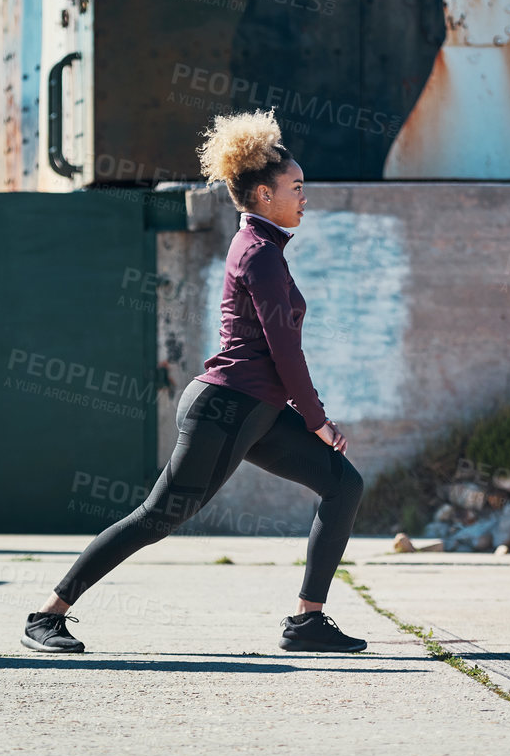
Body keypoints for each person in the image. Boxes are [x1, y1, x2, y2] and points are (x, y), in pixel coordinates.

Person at [23, 110, 367, 655]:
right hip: (227, 409)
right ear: (261, 194)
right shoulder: (259, 254)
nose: (305, 197)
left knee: (344, 485)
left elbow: (280, 351)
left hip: (256, 411)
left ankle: (307, 622)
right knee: (159, 517)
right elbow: (285, 350)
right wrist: (317, 419)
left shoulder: (264, 247)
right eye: (296, 188)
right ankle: (47, 614)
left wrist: (302, 414)